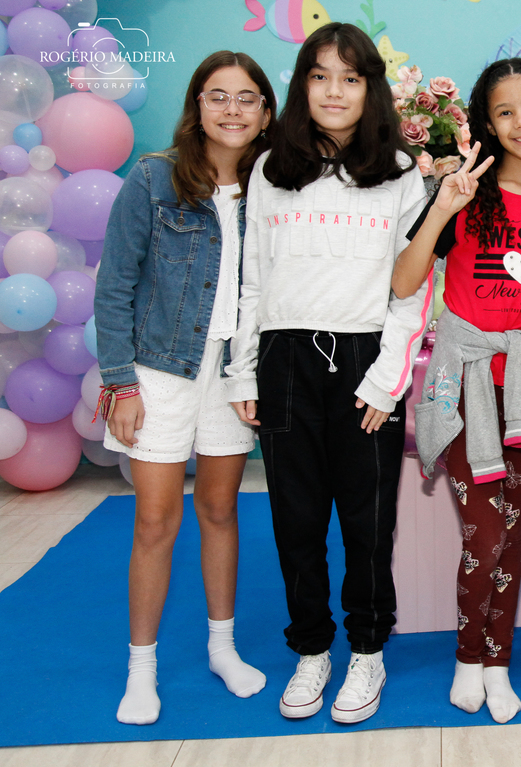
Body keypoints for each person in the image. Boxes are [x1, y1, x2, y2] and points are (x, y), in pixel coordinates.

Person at [225, 23, 431, 725]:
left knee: (368, 523)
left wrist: (387, 379)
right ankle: (312, 648)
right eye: (319, 76)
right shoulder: (269, 169)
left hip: (366, 362)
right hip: (285, 360)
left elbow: (412, 288)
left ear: (370, 88)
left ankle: (367, 648)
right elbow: (253, 280)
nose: (334, 91)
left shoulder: (400, 172)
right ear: (301, 86)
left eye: (350, 78)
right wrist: (243, 372)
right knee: (297, 520)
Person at [393, 57, 521, 724]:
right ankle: (468, 659)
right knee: (485, 533)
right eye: (505, 112)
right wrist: (442, 207)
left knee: (508, 530)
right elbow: (404, 281)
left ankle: (495, 664)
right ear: (487, 123)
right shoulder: (465, 190)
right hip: (463, 382)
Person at [95, 50, 275, 725]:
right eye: (217, 95)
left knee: (221, 510)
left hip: (233, 374)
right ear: (197, 105)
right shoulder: (153, 179)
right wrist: (120, 383)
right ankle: (141, 669)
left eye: (247, 97)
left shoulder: (273, 188)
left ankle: (222, 649)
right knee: (155, 519)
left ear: (265, 113)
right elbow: (114, 287)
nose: (232, 109)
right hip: (159, 372)